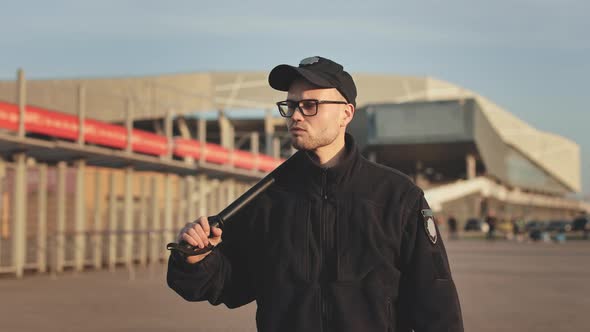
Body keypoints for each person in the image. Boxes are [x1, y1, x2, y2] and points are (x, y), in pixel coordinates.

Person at [167, 56, 464, 332]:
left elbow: (435, 303)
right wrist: (198, 259)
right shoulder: (266, 199)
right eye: (290, 105)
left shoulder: (398, 198)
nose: (295, 115)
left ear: (346, 113)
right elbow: (229, 284)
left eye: (310, 105)